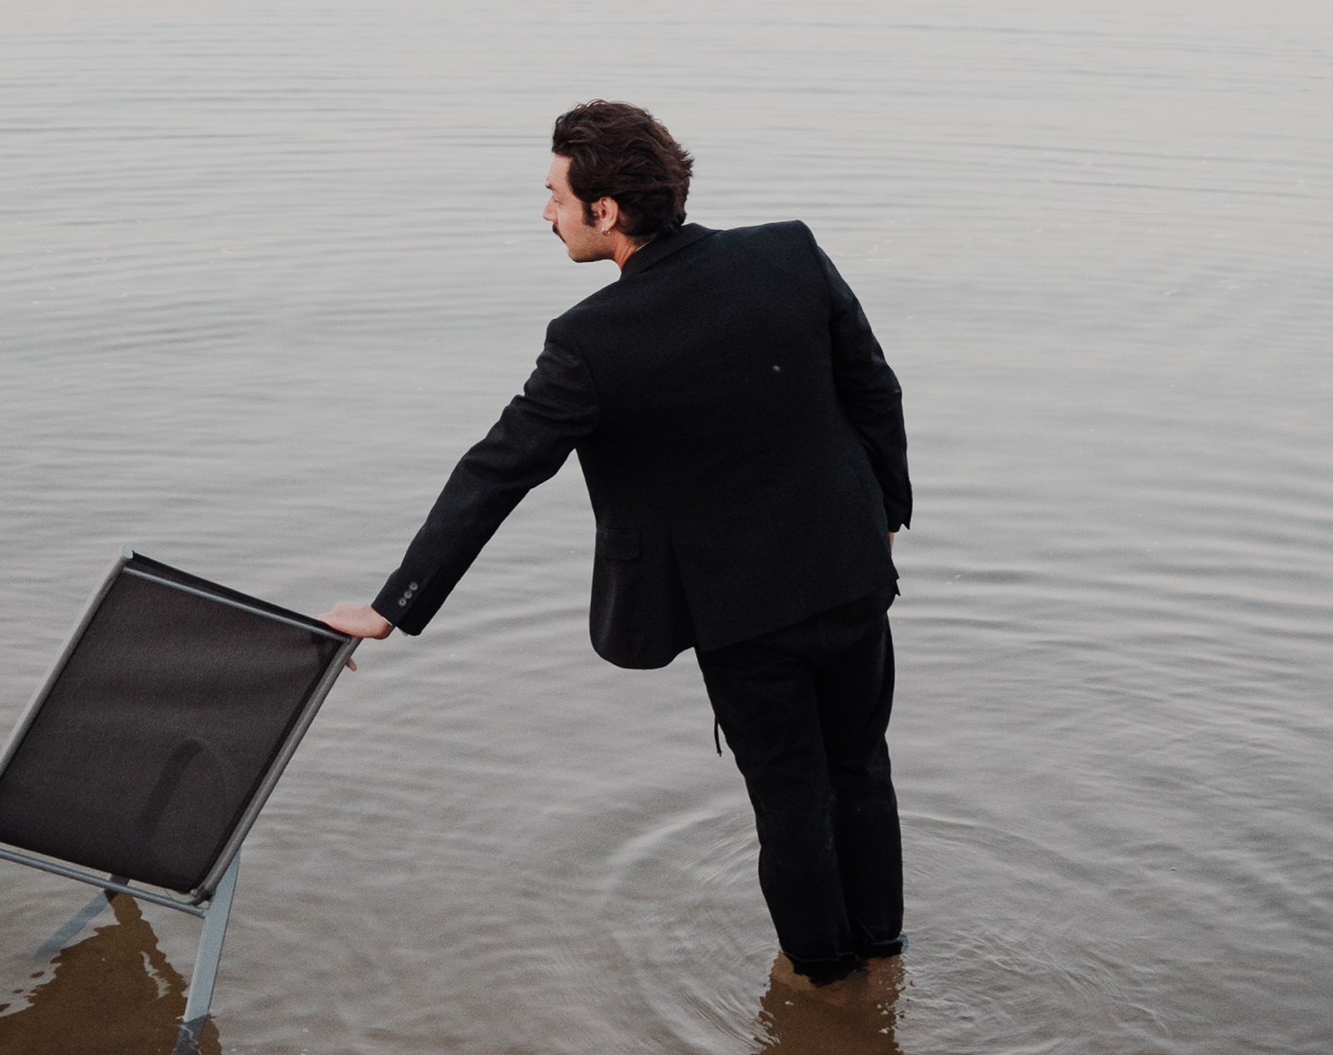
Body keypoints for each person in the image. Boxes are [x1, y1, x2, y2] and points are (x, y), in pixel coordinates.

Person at [328, 99, 911, 998]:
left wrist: (392, 606)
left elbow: (497, 472)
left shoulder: (590, 341)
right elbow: (874, 387)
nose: (547, 214)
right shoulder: (787, 252)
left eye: (556, 196)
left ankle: (826, 992)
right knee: (862, 769)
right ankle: (884, 957)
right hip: (849, 570)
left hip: (744, 614)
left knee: (792, 801)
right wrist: (885, 512)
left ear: (607, 211)